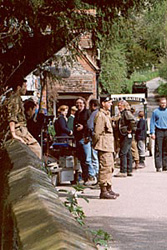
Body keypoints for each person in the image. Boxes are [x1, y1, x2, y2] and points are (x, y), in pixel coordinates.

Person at [7, 78, 41, 159]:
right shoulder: (14, 99)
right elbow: (12, 117)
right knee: (36, 149)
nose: (26, 89)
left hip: (22, 128)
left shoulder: (17, 98)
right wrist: (14, 134)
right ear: (19, 87)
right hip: (19, 129)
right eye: (25, 86)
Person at [93, 96, 119, 199]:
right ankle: (103, 190)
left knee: (110, 167)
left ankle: (109, 188)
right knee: (104, 168)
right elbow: (97, 133)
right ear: (103, 103)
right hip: (103, 146)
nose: (111, 104)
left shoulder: (106, 115)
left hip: (109, 146)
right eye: (109, 102)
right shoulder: (100, 116)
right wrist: (95, 144)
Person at [74, 97, 96, 184]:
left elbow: (90, 125)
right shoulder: (76, 113)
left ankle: (92, 176)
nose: (79, 105)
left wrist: (83, 127)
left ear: (84, 104)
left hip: (85, 138)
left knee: (88, 159)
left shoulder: (87, 113)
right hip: (78, 138)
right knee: (81, 159)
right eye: (77, 103)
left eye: (80, 103)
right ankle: (84, 177)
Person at [114, 100, 136, 177]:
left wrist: (130, 129)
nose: (118, 107)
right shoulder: (122, 113)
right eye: (118, 105)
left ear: (124, 105)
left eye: (120, 105)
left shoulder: (126, 112)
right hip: (124, 134)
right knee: (128, 152)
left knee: (123, 153)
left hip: (126, 134)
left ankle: (123, 171)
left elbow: (132, 121)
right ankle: (129, 170)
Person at [150, 97, 167, 172]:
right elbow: (152, 123)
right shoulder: (155, 112)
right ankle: (158, 166)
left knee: (165, 149)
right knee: (158, 149)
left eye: (165, 103)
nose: (163, 104)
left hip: (166, 131)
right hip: (159, 131)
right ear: (159, 103)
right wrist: (152, 132)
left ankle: (165, 165)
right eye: (162, 103)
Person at [87, 99, 100, 183]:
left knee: (93, 157)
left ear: (93, 105)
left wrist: (91, 134)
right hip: (100, 139)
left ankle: (95, 176)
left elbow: (89, 125)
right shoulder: (100, 113)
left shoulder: (94, 114)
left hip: (94, 138)